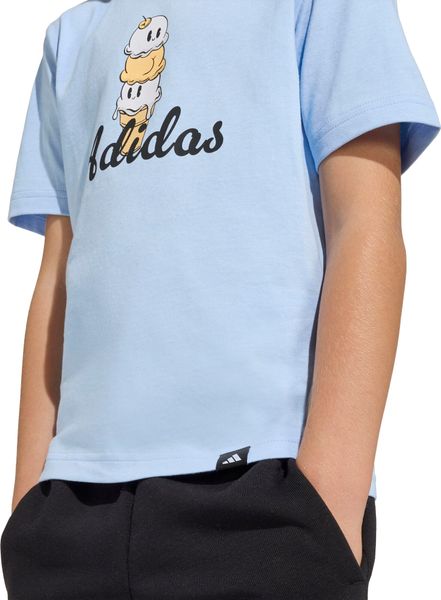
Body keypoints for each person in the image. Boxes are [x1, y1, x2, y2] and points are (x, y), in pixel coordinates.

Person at [1, 1, 439, 599]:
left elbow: (365, 227)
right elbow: (58, 271)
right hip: (72, 509)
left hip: (265, 489)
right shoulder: (69, 39)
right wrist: (29, 502)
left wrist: (329, 498)